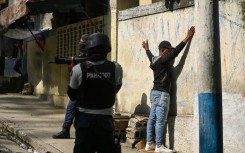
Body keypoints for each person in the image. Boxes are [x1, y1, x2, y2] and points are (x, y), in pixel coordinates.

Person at [142, 26, 195, 153]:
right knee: (160, 121)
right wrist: (187, 37)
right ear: (163, 51)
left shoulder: (155, 60)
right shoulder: (163, 60)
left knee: (152, 119)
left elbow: (150, 56)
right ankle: (159, 146)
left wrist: (147, 49)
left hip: (154, 93)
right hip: (161, 94)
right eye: (168, 51)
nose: (171, 54)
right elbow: (177, 52)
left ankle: (149, 143)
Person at [67, 33, 123, 153]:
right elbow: (116, 88)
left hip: (84, 121)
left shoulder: (78, 69)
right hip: (105, 122)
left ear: (88, 50)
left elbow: (72, 95)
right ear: (107, 50)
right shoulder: (116, 68)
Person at [52, 35, 89, 139]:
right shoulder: (89, 57)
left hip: (82, 90)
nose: (80, 44)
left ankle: (66, 130)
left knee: (71, 106)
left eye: (82, 43)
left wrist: (71, 68)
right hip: (90, 90)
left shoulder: (84, 60)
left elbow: (72, 86)